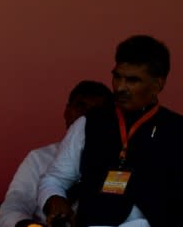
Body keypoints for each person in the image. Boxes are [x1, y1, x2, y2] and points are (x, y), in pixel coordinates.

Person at [38, 35, 183, 227]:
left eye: (133, 80)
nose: (120, 87)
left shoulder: (178, 130)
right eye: (117, 77)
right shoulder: (88, 124)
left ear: (157, 84)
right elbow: (55, 179)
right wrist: (53, 198)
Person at [0, 80, 113, 227]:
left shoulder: (118, 160)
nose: (85, 118)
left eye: (96, 113)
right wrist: (26, 224)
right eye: (81, 106)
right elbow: (15, 203)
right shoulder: (39, 158)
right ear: (67, 111)